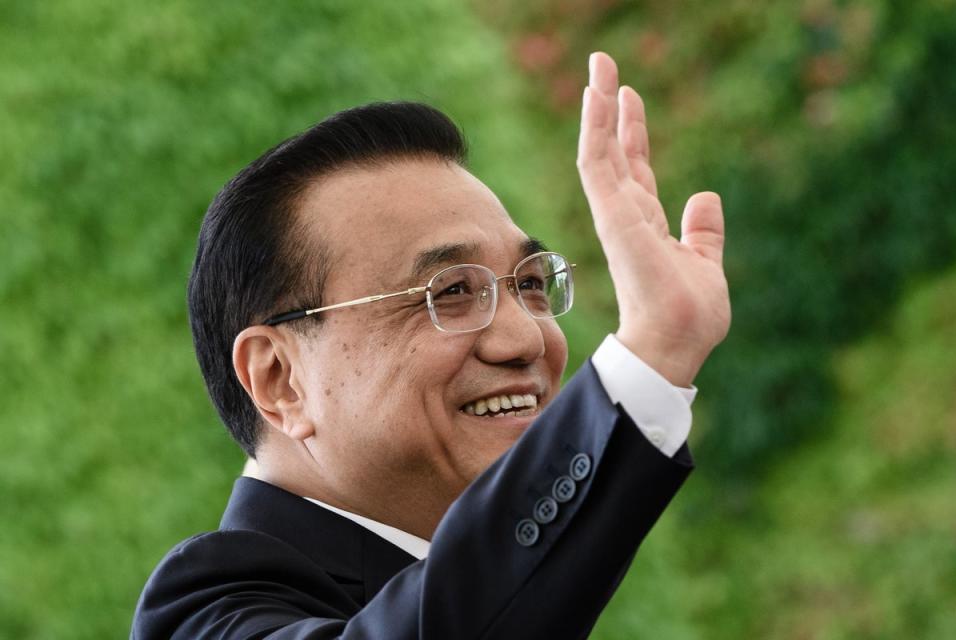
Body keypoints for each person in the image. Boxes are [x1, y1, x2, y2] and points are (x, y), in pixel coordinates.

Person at [131, 52, 730, 639]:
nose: (527, 339)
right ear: (279, 379)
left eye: (529, 284)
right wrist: (649, 358)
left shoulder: (549, 597)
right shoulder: (204, 615)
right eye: (449, 292)